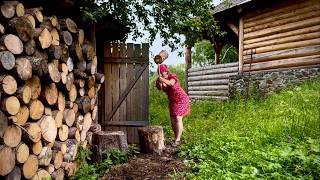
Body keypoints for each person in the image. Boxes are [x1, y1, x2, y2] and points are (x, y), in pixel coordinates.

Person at [156, 64, 190, 147]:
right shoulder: (160, 79)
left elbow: (171, 84)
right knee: (173, 120)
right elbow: (159, 88)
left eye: (162, 72)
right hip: (173, 101)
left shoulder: (172, 76)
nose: (161, 73)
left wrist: (162, 79)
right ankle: (176, 138)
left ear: (166, 71)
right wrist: (159, 82)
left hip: (182, 99)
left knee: (178, 117)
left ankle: (178, 140)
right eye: (160, 72)